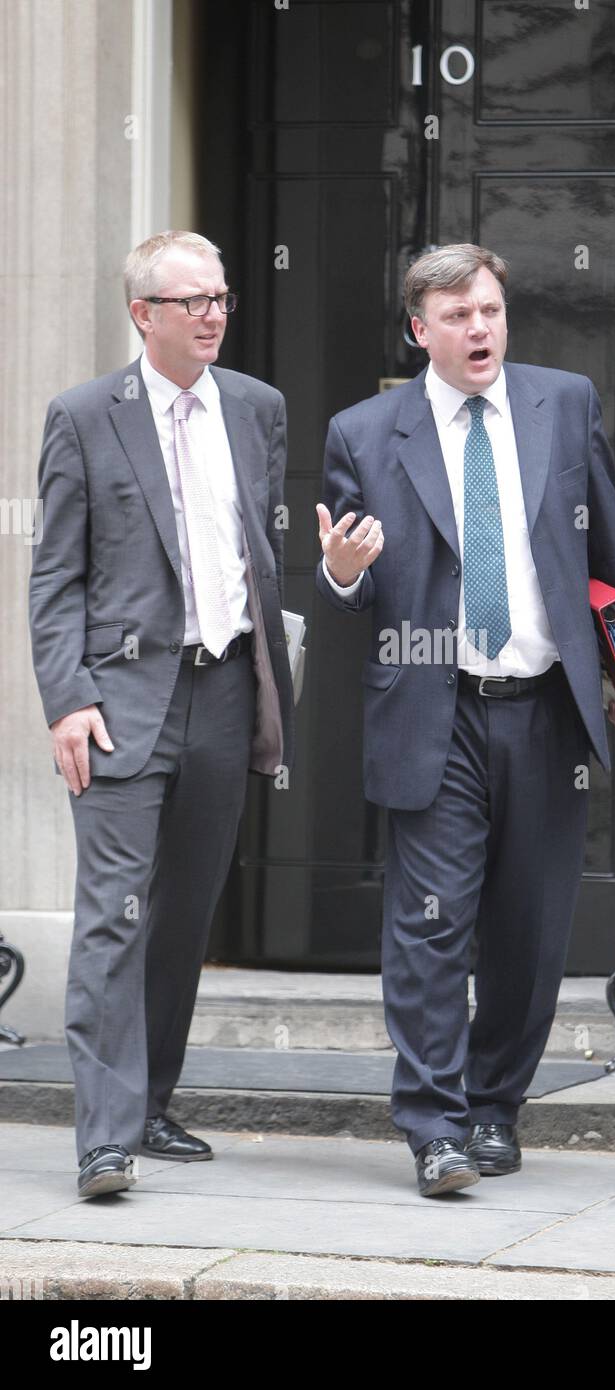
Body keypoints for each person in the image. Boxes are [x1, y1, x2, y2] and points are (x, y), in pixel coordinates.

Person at [315, 243, 615, 1197]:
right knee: (430, 928)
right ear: (417, 330)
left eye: (489, 311)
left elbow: (611, 538)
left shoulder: (565, 402)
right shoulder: (363, 431)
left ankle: (493, 1108)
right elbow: (346, 581)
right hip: (437, 709)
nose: (479, 329)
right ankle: (432, 1125)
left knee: (531, 927)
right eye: (457, 316)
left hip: (546, 707)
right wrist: (343, 573)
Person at [29, 231, 293, 1198]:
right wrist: (68, 699)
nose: (215, 314)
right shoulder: (86, 415)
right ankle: (103, 1139)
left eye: (222, 296)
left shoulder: (259, 409)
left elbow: (257, 553)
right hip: (119, 703)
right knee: (113, 917)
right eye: (193, 302)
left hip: (226, 690)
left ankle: (150, 1103)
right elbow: (54, 576)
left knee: (183, 911)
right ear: (144, 314)